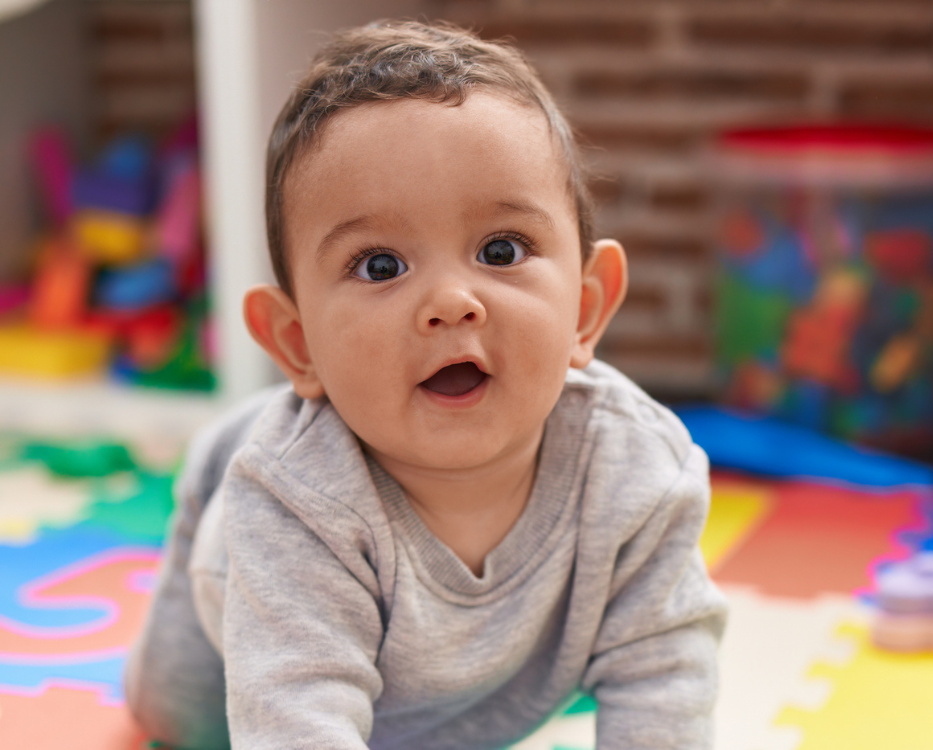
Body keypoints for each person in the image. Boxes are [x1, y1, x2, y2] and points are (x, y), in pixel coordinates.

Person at [124, 19, 727, 750]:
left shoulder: (638, 472)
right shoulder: (295, 503)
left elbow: (664, 668)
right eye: (380, 266)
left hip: (487, 682)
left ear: (587, 307)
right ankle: (224, 454)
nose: (452, 301)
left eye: (501, 250)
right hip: (250, 617)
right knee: (176, 720)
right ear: (297, 343)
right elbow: (296, 717)